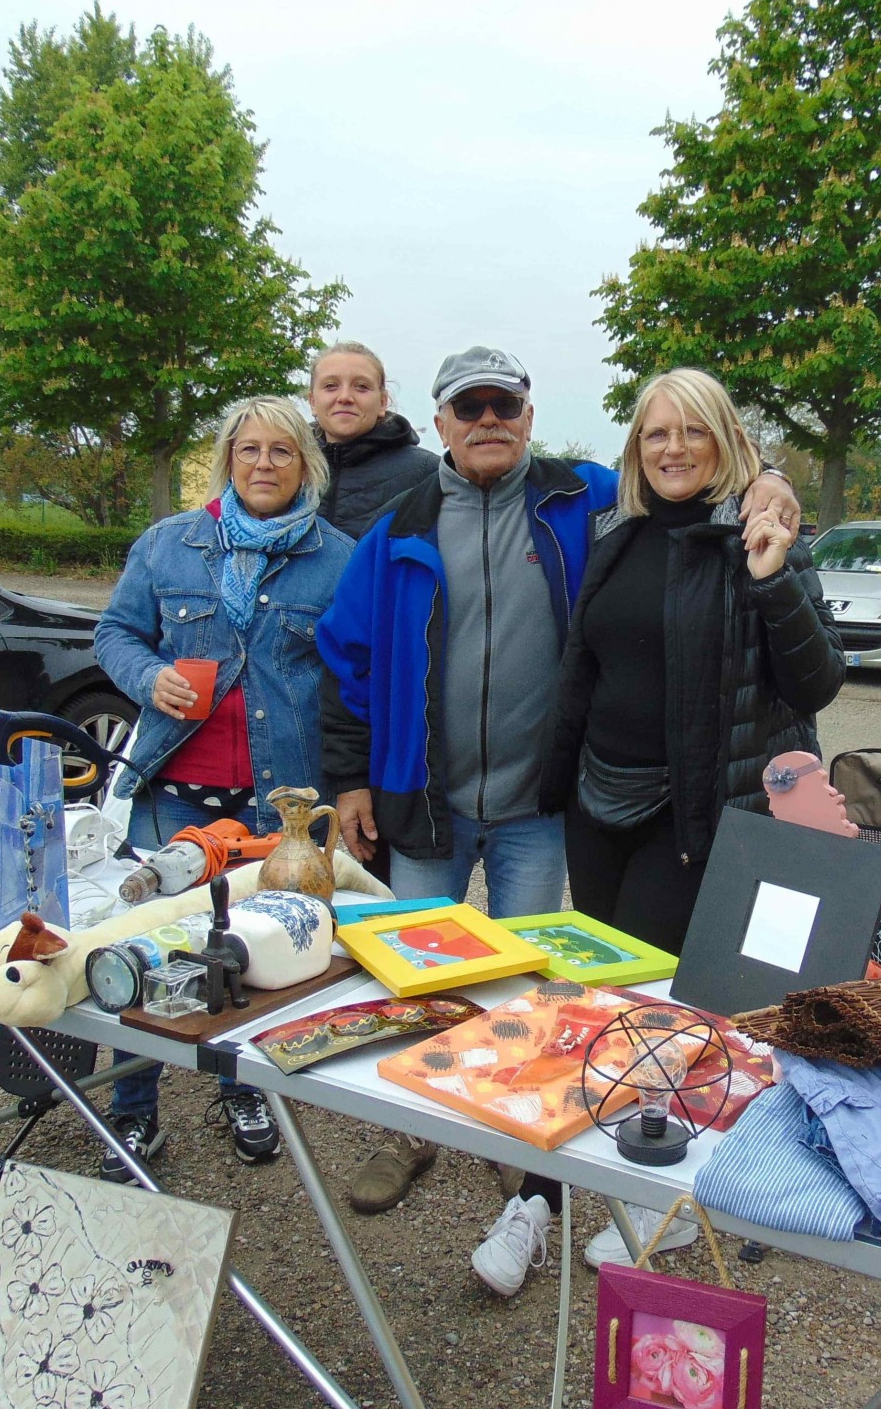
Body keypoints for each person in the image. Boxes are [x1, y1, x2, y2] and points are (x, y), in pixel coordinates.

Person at [318, 347, 801, 1295]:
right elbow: (348, 659)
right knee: (414, 986)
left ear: (530, 414)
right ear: (443, 419)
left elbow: (692, 464)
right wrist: (349, 777)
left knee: (534, 992)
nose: (488, 418)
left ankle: (520, 1147)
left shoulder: (581, 499)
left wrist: (773, 477)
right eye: (470, 406)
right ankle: (405, 1134)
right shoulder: (399, 525)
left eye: (505, 403)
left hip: (543, 806)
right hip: (424, 801)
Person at [536, 365, 844, 1268]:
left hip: (693, 812)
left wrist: (773, 576)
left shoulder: (759, 534)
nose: (672, 449)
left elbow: (818, 680)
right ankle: (539, 1193)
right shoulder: (616, 533)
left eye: (693, 432)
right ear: (636, 448)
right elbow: (584, 671)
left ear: (726, 442)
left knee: (649, 1013)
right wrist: (558, 780)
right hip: (600, 800)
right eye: (655, 433)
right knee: (586, 1000)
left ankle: (646, 1198)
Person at [94, 395, 354, 1180]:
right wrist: (149, 676)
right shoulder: (168, 544)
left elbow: (355, 676)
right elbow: (115, 633)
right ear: (227, 459)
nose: (264, 465)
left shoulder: (338, 558)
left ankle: (241, 1087)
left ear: (306, 464)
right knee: (144, 949)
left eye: (282, 451)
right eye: (250, 450)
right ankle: (131, 1112)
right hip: (175, 791)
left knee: (255, 953)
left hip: (278, 804)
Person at [308, 340, 442, 540]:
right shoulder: (288, 467)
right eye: (330, 386)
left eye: (361, 387)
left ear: (382, 402)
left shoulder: (427, 472)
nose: (345, 397)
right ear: (312, 402)